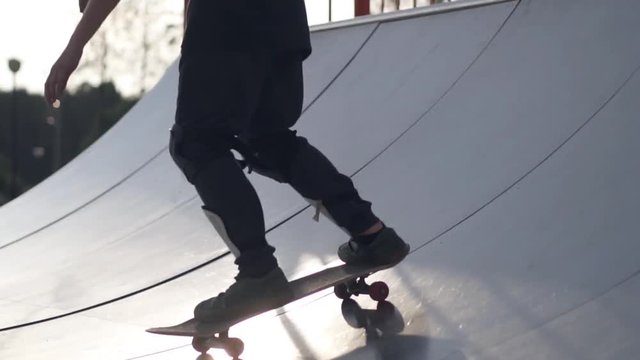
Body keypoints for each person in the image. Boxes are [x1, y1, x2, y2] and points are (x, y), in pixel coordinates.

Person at [45, 0, 409, 322]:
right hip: (284, 22)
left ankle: (258, 273)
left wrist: (74, 46)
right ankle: (371, 233)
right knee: (269, 138)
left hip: (225, 24)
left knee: (196, 144)